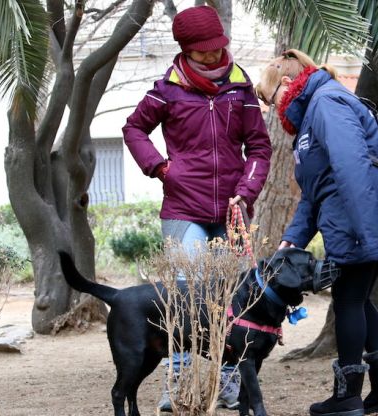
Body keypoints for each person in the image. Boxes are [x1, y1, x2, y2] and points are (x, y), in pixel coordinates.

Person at [122, 5, 272, 412]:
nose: (212, 56)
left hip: (233, 211)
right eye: (203, 51)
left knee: (234, 300)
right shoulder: (166, 90)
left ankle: (228, 384)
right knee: (184, 298)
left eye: (216, 48)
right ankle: (179, 383)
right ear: (186, 50)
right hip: (182, 207)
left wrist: (248, 190)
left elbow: (258, 146)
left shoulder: (240, 89)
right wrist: (160, 168)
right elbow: (134, 128)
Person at [255, 50, 378, 416]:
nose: (271, 109)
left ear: (285, 83)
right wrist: (293, 238)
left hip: (359, 220)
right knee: (358, 299)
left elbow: (352, 167)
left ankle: (347, 398)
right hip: (355, 220)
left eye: (270, 99)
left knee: (348, 299)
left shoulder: (326, 102)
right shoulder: (313, 115)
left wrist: (363, 229)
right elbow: (316, 191)